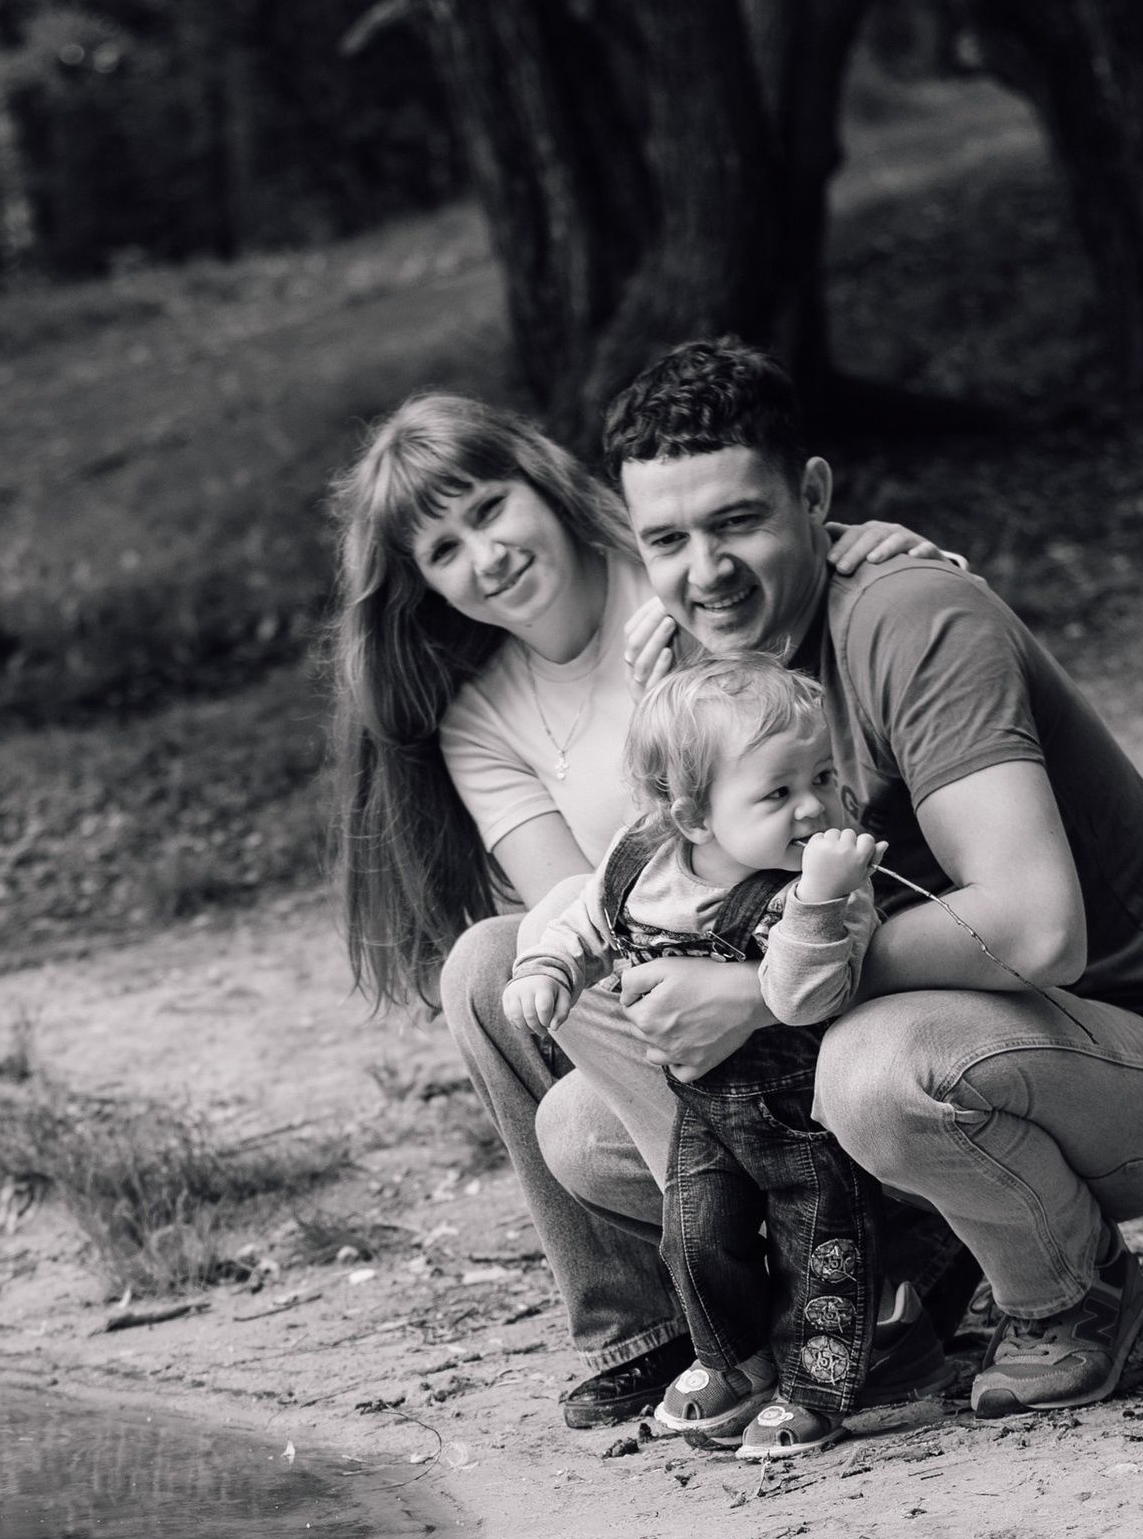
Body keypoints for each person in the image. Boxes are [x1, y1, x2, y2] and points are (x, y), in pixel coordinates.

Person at [597, 338, 1143, 1415]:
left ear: (813, 496)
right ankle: (836, 1310)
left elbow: (1039, 930)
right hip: (924, 1030)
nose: (704, 571)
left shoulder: (912, 620)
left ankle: (1070, 1292)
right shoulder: (715, 657)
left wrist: (761, 993)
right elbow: (669, 887)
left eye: (737, 522)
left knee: (875, 1070)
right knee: (585, 1128)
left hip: (1118, 1057)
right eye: (667, 540)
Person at [327, 394, 938, 1430]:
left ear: (541, 482)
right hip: (670, 963)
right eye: (443, 549)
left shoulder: (667, 584)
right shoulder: (481, 716)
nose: (486, 555)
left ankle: (816, 1273)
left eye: (489, 508)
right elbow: (589, 893)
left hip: (794, 934)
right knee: (496, 959)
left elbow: (797, 619)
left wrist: (875, 550)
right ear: (421, 583)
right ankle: (657, 1323)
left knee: (565, 1071)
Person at [505, 658, 883, 1460]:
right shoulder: (643, 860)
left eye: (823, 777)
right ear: (693, 817)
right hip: (705, 1105)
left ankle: (813, 1392)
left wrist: (820, 898)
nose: (814, 806)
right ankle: (734, 1362)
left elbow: (804, 997)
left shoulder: (826, 885)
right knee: (696, 1235)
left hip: (809, 1114)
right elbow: (589, 920)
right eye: (778, 793)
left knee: (818, 1248)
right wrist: (548, 968)